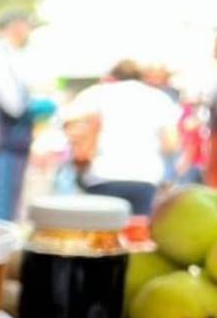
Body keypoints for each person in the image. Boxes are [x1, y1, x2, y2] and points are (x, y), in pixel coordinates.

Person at [64, 60, 180, 214]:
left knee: (103, 232)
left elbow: (70, 126)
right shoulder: (159, 98)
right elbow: (171, 144)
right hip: (145, 176)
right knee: (137, 231)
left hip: (101, 174)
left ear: (112, 76)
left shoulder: (95, 94)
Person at [0, 12, 53, 220]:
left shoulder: (18, 55)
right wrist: (32, 106)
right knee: (1, 207)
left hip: (17, 141)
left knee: (10, 204)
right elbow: (11, 102)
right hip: (3, 140)